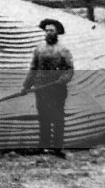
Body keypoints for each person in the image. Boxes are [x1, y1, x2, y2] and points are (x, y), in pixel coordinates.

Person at [22, 19, 74, 158]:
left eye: (51, 30)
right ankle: (43, 146)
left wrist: (63, 79)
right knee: (43, 117)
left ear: (57, 32)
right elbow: (33, 69)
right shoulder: (39, 49)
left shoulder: (63, 50)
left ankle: (57, 148)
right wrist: (26, 85)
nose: (48, 33)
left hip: (57, 89)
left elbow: (69, 70)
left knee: (57, 118)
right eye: (46, 30)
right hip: (41, 89)